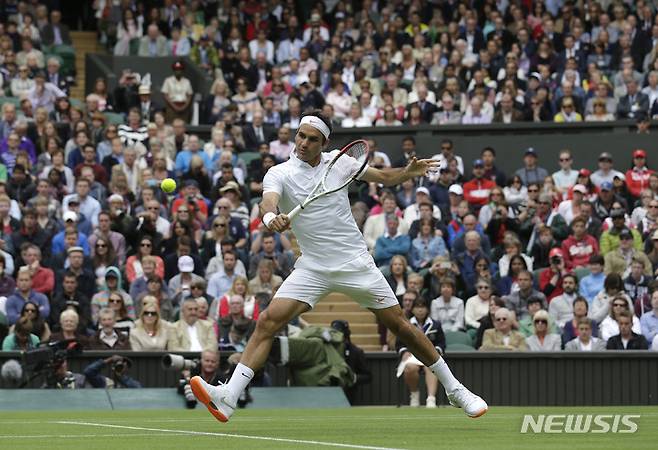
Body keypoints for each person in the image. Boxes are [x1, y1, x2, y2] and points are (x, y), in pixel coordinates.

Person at [191, 110, 487, 421]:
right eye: (301, 135)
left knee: (401, 326)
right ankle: (228, 396)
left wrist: (408, 172)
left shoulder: (341, 162)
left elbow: (386, 177)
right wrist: (269, 217)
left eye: (312, 139)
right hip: (313, 267)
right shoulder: (279, 173)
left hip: (355, 262)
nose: (304, 143)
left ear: (324, 143)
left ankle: (455, 390)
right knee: (267, 321)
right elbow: (268, 201)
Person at [396, 298, 445, 408]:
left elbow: (441, 343)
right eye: (417, 307)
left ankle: (431, 399)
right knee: (410, 367)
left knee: (432, 367)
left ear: (427, 309)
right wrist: (404, 352)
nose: (420, 310)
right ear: (413, 309)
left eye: (423, 307)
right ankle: (414, 395)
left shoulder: (436, 325)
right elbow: (399, 344)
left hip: (429, 356)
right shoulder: (406, 324)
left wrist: (436, 351)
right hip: (412, 356)